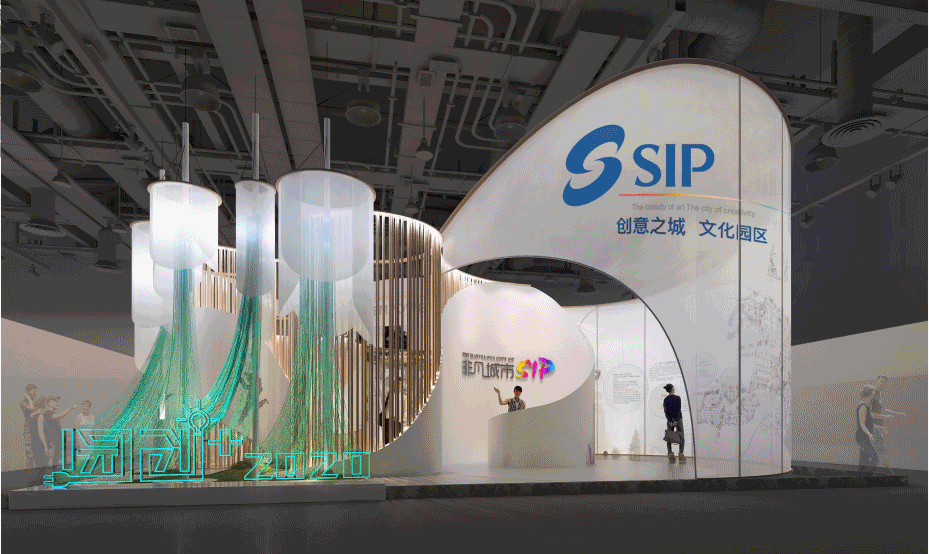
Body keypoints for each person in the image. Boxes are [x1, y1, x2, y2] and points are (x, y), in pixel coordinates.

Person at [871, 375, 905, 475]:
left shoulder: (879, 394)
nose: (883, 384)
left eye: (885, 382)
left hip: (880, 427)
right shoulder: (872, 394)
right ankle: (889, 473)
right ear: (877, 381)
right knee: (881, 450)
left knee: (879, 450)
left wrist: (898, 414)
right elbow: (869, 413)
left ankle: (877, 472)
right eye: (881, 381)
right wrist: (885, 417)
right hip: (873, 427)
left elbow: (884, 409)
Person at [35, 397, 77, 468]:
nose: (57, 403)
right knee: (51, 464)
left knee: (58, 463)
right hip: (52, 444)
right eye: (55, 401)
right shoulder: (47, 414)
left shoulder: (52, 415)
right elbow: (60, 416)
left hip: (57, 444)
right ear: (49, 404)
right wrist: (71, 408)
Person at [856, 385, 881, 475]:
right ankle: (867, 475)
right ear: (869, 394)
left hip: (865, 437)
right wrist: (869, 434)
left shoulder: (867, 406)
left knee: (864, 460)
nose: (874, 394)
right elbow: (862, 424)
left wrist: (880, 428)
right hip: (862, 437)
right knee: (875, 458)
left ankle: (861, 477)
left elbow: (869, 423)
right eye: (873, 392)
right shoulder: (862, 406)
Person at [663, 384, 685, 462]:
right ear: (672, 389)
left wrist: (670, 421)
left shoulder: (666, 399)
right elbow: (678, 410)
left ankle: (670, 454)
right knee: (681, 435)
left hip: (670, 420)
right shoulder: (677, 398)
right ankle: (681, 454)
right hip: (678, 419)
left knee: (669, 436)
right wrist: (675, 420)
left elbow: (666, 411)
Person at [19, 384, 40, 467]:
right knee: (30, 454)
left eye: (35, 390)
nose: (35, 392)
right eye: (33, 391)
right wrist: (28, 399)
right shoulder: (23, 403)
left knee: (38, 452)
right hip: (29, 430)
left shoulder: (36, 402)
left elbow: (40, 410)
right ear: (27, 392)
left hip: (38, 429)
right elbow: (32, 408)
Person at [381, 376, 405, 445]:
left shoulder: (404, 397)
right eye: (397, 383)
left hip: (398, 421)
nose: (398, 385)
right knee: (387, 439)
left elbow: (405, 410)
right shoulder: (389, 393)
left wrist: (403, 421)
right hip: (388, 419)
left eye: (400, 384)